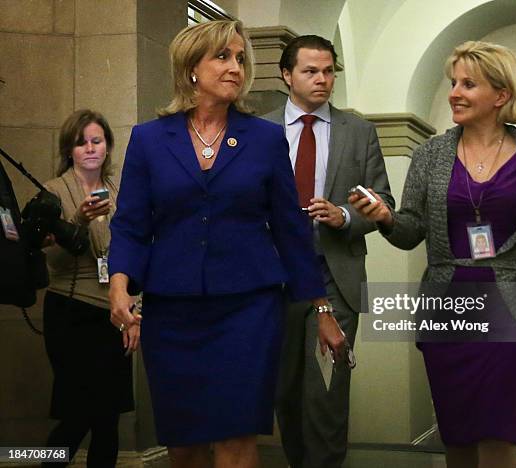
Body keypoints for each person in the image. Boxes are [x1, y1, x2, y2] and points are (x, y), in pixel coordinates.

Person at [349, 41, 516, 468]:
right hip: (450, 306)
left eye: (469, 83)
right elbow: (411, 231)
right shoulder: (431, 155)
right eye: (454, 82)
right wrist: (385, 218)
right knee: (459, 439)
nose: (454, 92)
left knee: (499, 434)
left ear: (501, 95)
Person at [108, 21, 345, 468]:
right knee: (184, 443)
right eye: (222, 57)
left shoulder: (264, 139)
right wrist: (120, 287)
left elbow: (291, 231)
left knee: (237, 437)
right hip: (172, 310)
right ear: (191, 67)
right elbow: (131, 225)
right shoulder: (150, 140)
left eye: (240, 58)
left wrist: (322, 308)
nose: (236, 67)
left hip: (249, 309)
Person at [263, 35, 394, 468]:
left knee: (326, 397)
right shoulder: (258, 130)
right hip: (272, 282)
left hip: (333, 280)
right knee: (285, 394)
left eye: (329, 71)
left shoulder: (358, 132)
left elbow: (382, 205)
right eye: (311, 71)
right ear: (286, 75)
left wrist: (345, 215)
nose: (323, 80)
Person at [42, 109, 134, 467]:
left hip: (111, 314)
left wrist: (133, 310)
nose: (90, 149)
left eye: (97, 141)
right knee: (79, 414)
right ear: (70, 149)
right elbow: (54, 263)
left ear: (108, 147)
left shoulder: (119, 191)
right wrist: (79, 220)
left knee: (108, 418)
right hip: (71, 312)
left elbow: (133, 254)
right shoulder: (52, 192)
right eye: (82, 143)